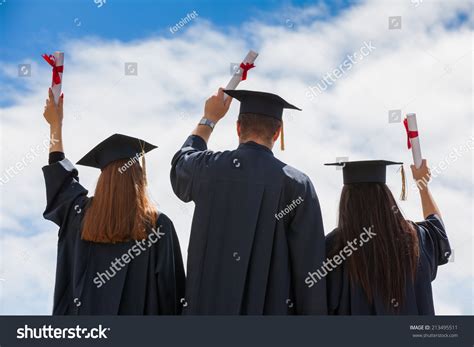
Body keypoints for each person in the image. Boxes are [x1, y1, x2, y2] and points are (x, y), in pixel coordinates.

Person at [170, 88, 326, 315]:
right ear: (277, 133)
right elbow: (310, 270)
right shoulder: (297, 185)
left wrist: (209, 119)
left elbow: (181, 164)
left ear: (238, 127)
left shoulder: (208, 168)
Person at [42, 88, 185, 315]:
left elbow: (60, 177)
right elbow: (172, 296)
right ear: (139, 177)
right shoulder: (158, 227)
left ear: (103, 178)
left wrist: (55, 126)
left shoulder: (79, 214)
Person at [324, 159, 450, 315]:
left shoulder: (335, 247)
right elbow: (437, 227)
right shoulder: (415, 237)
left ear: (346, 204)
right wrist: (422, 185)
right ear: (386, 198)